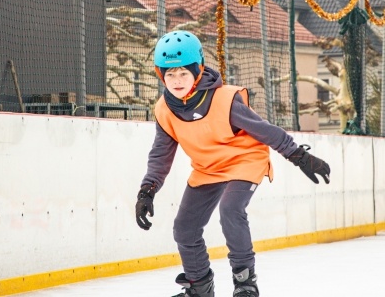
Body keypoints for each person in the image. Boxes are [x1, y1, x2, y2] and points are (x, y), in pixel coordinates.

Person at [135, 30, 330, 297]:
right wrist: (148, 190)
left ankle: (245, 283)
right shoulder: (164, 110)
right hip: (207, 168)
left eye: (183, 73)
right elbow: (161, 153)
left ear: (198, 70)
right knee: (185, 228)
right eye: (170, 74)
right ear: (161, 75)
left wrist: (298, 156)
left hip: (244, 160)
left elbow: (264, 130)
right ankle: (199, 287)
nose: (176, 80)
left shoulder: (224, 99)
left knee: (230, 210)